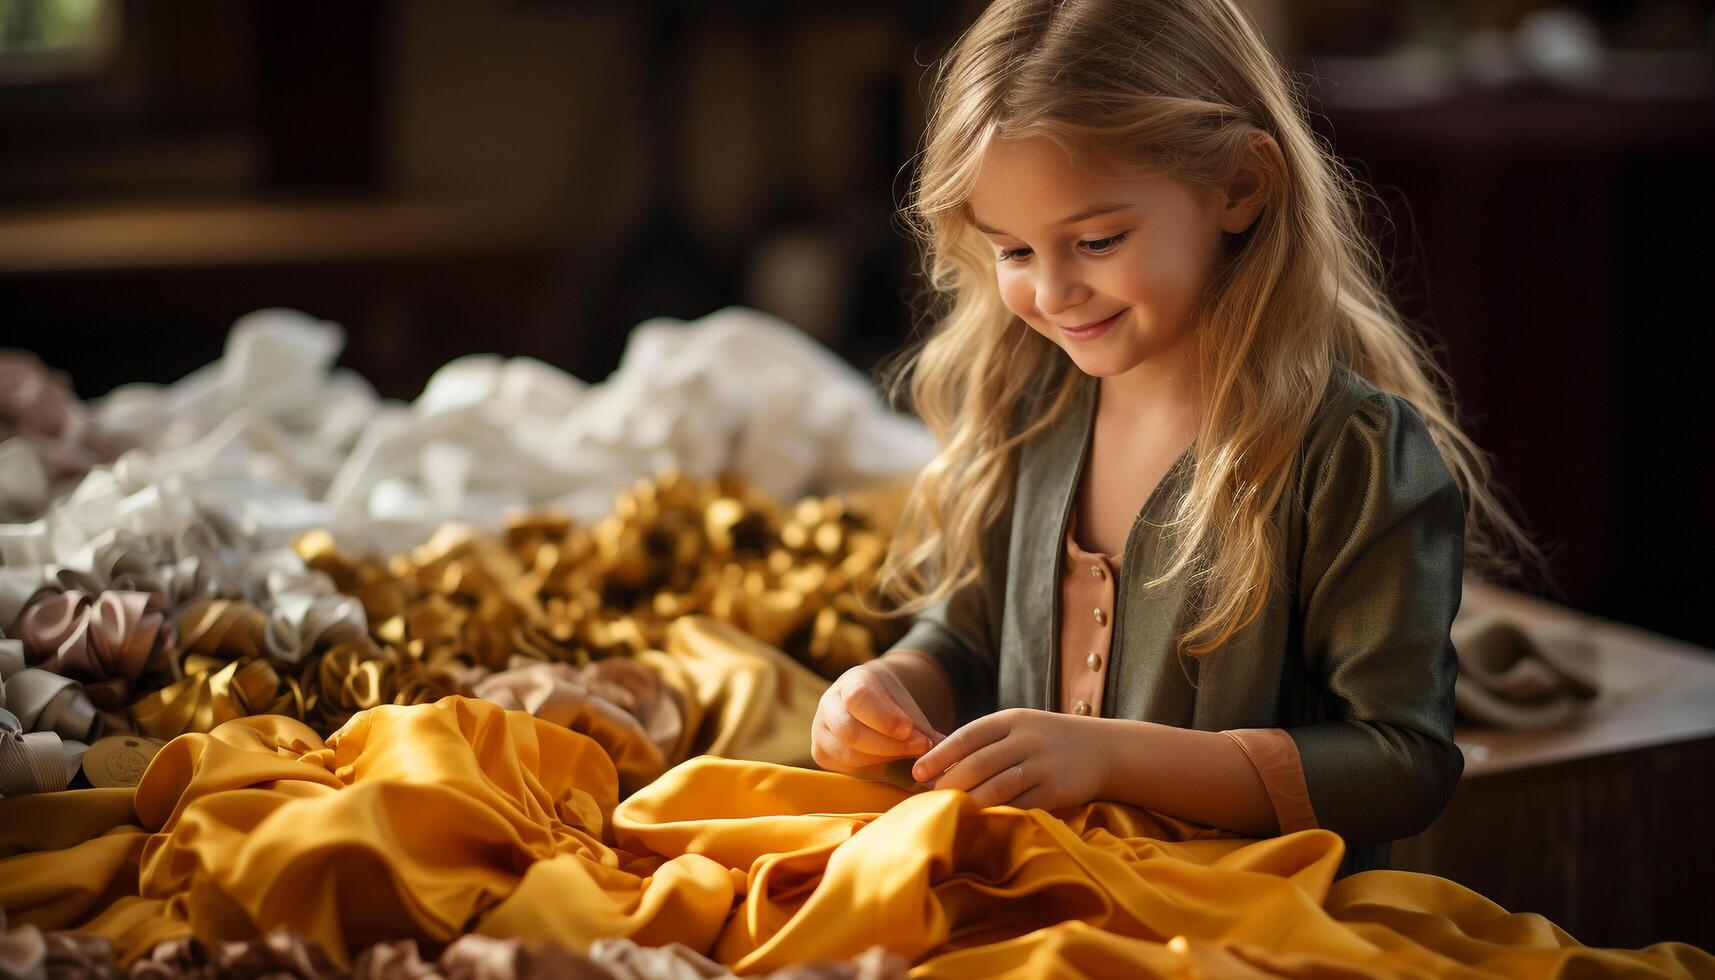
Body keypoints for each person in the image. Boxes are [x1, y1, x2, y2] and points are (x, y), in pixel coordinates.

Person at [810, 0, 1538, 877]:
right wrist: (889, 686)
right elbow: (966, 638)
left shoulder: (1352, 454)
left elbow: (1401, 764)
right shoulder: (1027, 407)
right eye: (1012, 252)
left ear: (1238, 187)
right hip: (1030, 887)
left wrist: (1114, 758)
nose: (1052, 293)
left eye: (1096, 240)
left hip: (1241, 920)